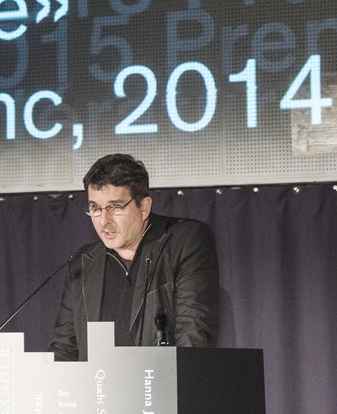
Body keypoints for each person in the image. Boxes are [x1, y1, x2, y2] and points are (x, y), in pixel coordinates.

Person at [50, 153, 219, 361]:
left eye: (115, 207)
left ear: (144, 207)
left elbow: (193, 333)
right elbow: (65, 348)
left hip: (161, 380)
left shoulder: (183, 241)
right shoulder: (83, 262)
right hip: (98, 382)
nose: (104, 220)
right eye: (95, 208)